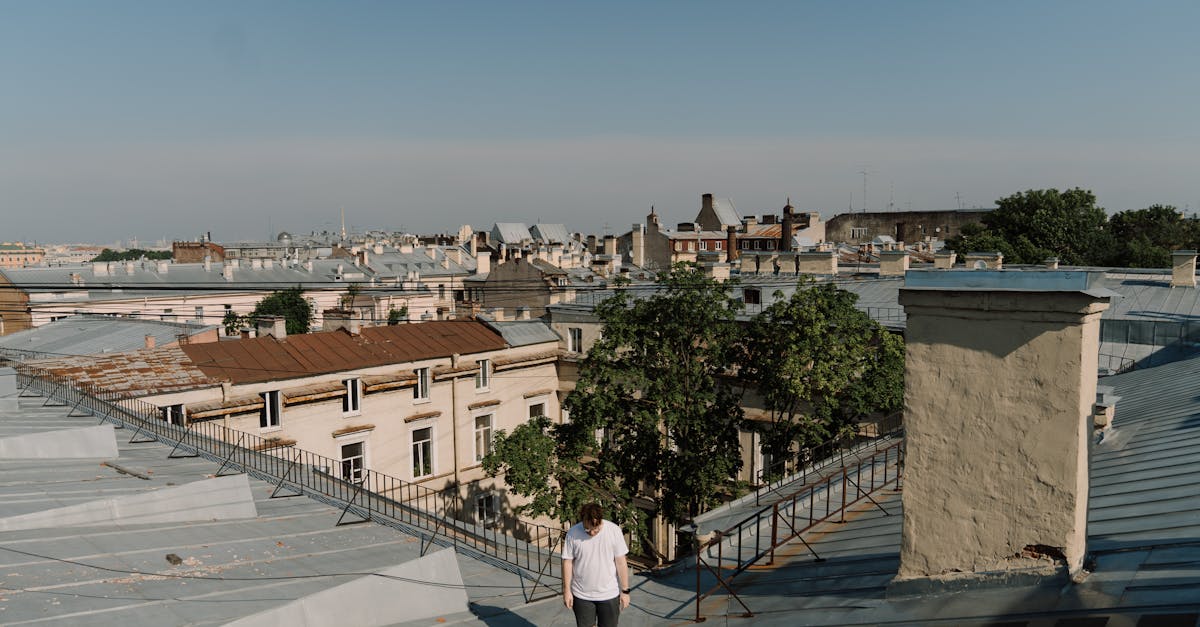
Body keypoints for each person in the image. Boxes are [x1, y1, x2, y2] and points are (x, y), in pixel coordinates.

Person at [561, 502, 630, 627]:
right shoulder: (572, 533)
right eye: (588, 529)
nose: (592, 533)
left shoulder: (614, 531)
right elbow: (567, 562)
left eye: (596, 529)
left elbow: (621, 562)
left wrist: (625, 591)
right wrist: (566, 591)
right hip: (582, 595)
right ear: (582, 520)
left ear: (601, 521)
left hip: (609, 594)